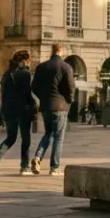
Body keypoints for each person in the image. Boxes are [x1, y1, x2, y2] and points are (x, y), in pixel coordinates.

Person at [0, 51, 36, 176]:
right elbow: (28, 93)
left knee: (11, 137)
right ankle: (25, 167)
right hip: (23, 110)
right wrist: (33, 106)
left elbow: (3, 94)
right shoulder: (26, 74)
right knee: (26, 138)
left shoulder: (6, 74)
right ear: (24, 61)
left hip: (8, 110)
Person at [30, 44, 75, 176]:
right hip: (60, 106)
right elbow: (71, 86)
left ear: (52, 51)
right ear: (61, 51)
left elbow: (34, 87)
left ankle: (37, 157)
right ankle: (54, 167)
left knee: (48, 133)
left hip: (45, 106)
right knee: (58, 137)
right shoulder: (66, 67)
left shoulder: (41, 67)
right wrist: (69, 99)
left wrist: (43, 98)